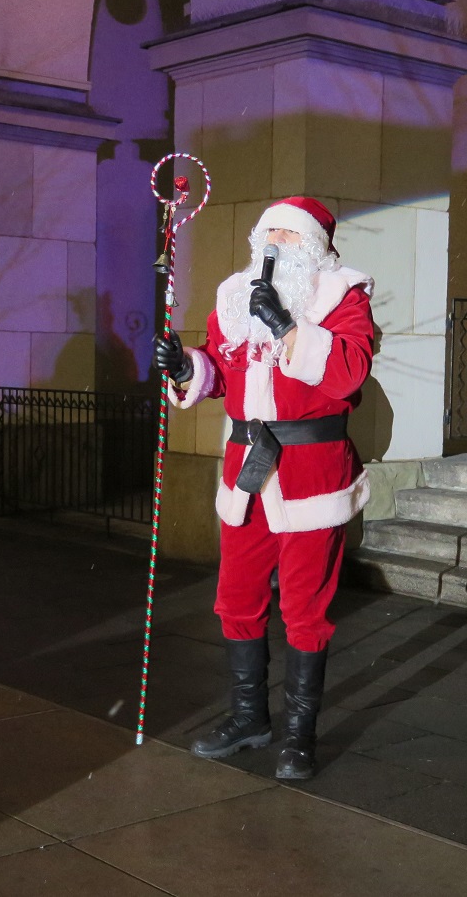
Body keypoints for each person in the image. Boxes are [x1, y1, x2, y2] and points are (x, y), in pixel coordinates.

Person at [153, 196, 374, 780]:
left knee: (305, 607)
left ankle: (300, 736)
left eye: (290, 232)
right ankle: (249, 717)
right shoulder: (233, 296)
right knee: (236, 597)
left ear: (317, 245)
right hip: (247, 468)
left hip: (311, 471)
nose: (276, 240)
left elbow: (350, 374)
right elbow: (222, 374)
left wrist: (286, 325)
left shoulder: (342, 296)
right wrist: (185, 367)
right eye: (269, 229)